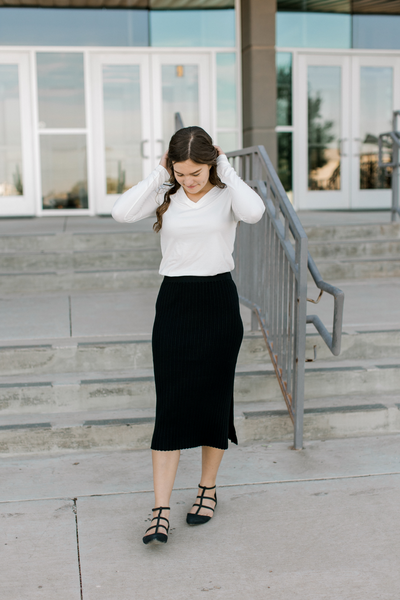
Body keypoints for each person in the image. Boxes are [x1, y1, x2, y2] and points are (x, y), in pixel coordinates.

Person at [112, 126, 265, 545]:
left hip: (217, 302)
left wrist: (228, 171)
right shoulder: (169, 194)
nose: (189, 180)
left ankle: (207, 489)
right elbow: (121, 212)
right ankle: (160, 508)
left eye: (196, 172)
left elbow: (255, 212)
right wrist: (160, 176)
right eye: (181, 172)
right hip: (175, 303)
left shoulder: (226, 195)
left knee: (215, 402)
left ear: (211, 163)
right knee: (172, 405)